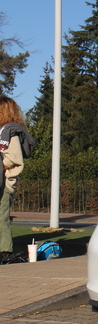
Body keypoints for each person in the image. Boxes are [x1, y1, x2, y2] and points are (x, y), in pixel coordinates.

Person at [0, 96, 30, 262]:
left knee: (1, 216)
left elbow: (14, 159)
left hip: (4, 183)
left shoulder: (9, 133)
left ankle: (5, 252)